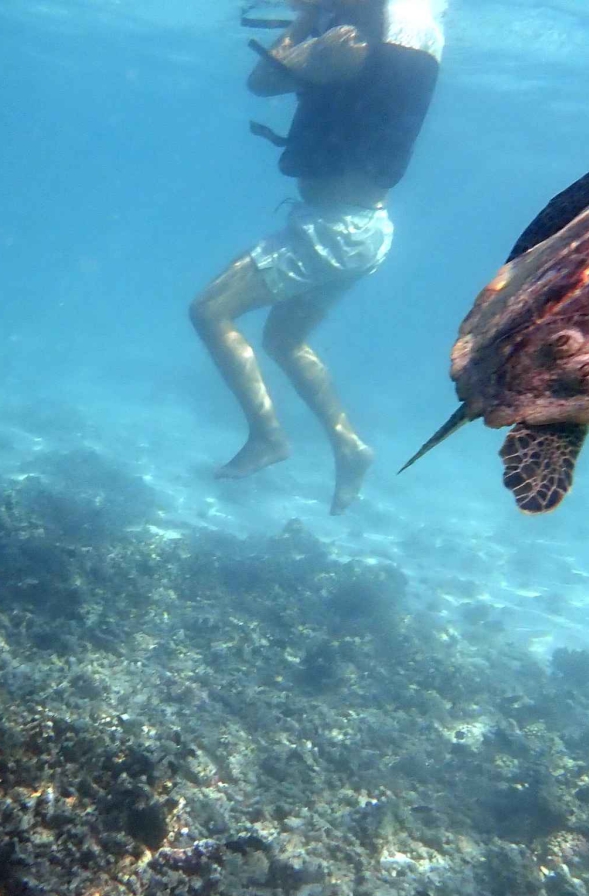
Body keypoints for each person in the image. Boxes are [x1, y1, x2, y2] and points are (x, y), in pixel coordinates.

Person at [188, 0, 443, 514]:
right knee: (284, 340)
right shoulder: (396, 26)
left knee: (210, 311)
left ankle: (268, 437)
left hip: (336, 231)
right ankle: (351, 448)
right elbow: (272, 79)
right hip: (360, 229)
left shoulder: (368, 27)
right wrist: (310, 22)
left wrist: (306, 21)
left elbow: (265, 81)